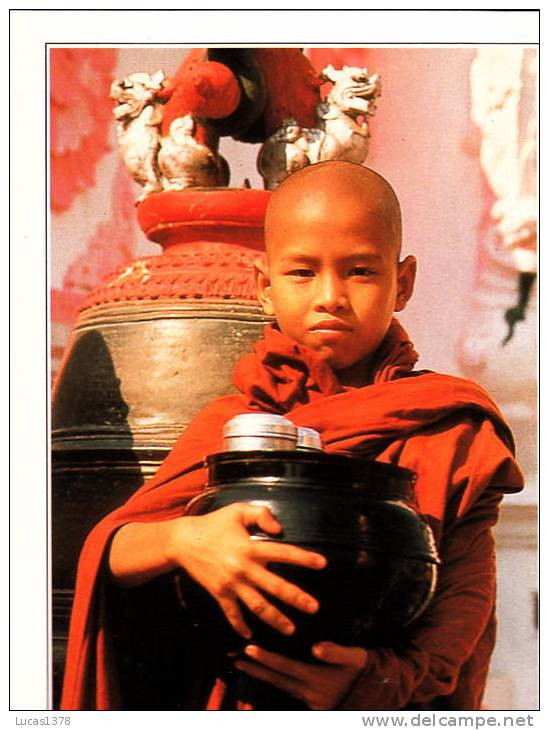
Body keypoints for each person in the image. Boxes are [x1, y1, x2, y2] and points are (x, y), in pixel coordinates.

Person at [61, 160, 523, 711]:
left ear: (403, 284)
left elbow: (465, 601)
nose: (330, 295)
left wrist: (377, 680)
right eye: (302, 273)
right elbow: (111, 549)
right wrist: (184, 539)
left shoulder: (448, 424)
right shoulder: (231, 424)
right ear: (265, 286)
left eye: (360, 271)